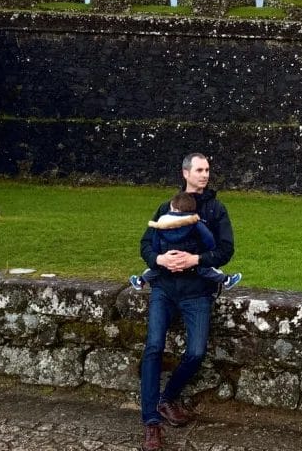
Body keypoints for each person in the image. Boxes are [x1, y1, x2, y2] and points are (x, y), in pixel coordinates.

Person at [138, 152, 234, 451]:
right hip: (164, 289)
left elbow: (225, 250)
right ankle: (151, 422)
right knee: (153, 347)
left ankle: (167, 398)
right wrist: (159, 259)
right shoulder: (166, 207)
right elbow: (146, 244)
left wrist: (196, 260)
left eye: (207, 170)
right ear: (185, 173)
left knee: (196, 352)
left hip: (197, 292)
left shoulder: (215, 209)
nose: (205, 175)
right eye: (199, 170)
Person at [129, 190, 241, 292]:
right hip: (189, 258)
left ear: (172, 207)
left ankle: (140, 280)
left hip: (168, 256)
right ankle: (226, 280)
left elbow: (155, 238)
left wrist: (158, 255)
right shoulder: (195, 223)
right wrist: (209, 248)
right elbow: (208, 237)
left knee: (156, 269)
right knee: (205, 269)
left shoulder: (163, 221)